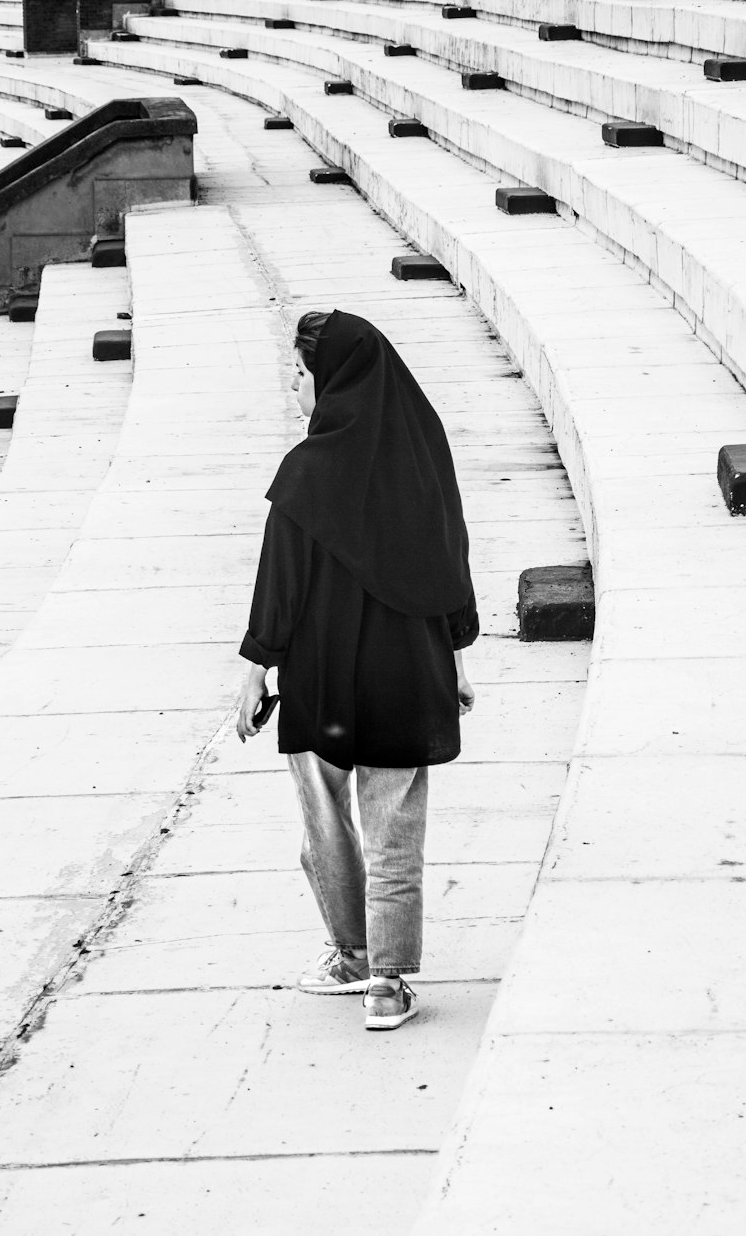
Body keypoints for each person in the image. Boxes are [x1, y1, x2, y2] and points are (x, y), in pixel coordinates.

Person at [237, 309, 478, 1031]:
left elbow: (279, 582)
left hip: (323, 682)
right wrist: (458, 653)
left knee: (327, 824)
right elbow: (449, 560)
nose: (295, 384)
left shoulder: (305, 473)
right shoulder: (421, 455)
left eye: (302, 374)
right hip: (407, 676)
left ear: (335, 382)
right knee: (395, 831)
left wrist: (255, 672)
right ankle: (385, 981)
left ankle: (350, 949)